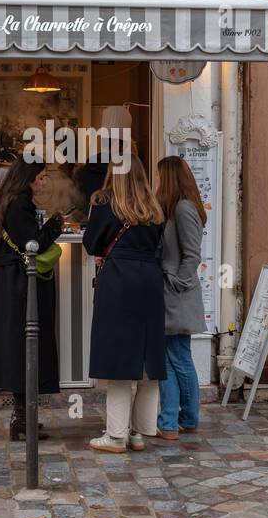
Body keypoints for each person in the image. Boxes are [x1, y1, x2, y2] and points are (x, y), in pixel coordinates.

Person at [83, 155, 166, 453]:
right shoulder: (154, 207)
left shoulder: (106, 204)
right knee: (147, 357)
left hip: (119, 280)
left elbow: (91, 243)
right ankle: (140, 432)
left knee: (118, 358)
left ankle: (116, 435)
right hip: (151, 280)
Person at [0, 160, 67, 441]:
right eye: (42, 177)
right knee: (26, 347)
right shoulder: (20, 205)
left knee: (23, 349)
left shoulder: (12, 202)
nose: (44, 182)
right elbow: (33, 243)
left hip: (14, 284)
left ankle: (24, 417)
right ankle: (22, 419)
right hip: (21, 287)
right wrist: (56, 225)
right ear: (30, 179)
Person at [155, 156, 206, 440]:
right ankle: (170, 422)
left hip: (177, 294)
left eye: (160, 176)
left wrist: (177, 283)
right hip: (170, 293)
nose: (157, 182)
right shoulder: (174, 208)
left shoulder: (184, 208)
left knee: (179, 356)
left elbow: (192, 254)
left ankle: (185, 417)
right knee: (170, 358)